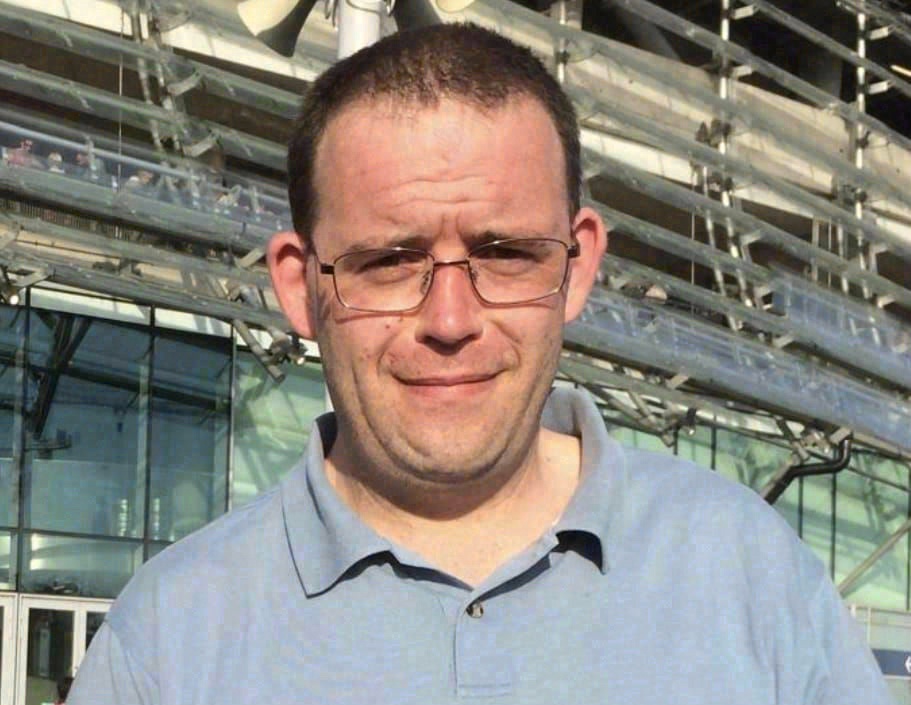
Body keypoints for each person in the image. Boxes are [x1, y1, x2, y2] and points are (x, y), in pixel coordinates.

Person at [67, 23, 891, 705]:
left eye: (504, 254)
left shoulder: (747, 572)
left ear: (577, 267)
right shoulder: (171, 639)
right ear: (299, 286)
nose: (451, 321)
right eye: (389, 261)